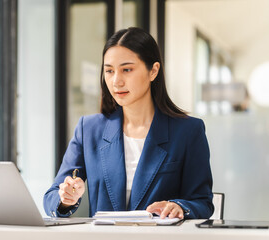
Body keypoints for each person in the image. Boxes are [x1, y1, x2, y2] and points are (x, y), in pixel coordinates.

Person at [44, 27, 214, 219]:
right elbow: (51, 197)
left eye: (127, 70)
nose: (116, 81)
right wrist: (66, 199)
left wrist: (179, 206)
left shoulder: (188, 131)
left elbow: (202, 202)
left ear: (153, 71)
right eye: (109, 71)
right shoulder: (89, 129)